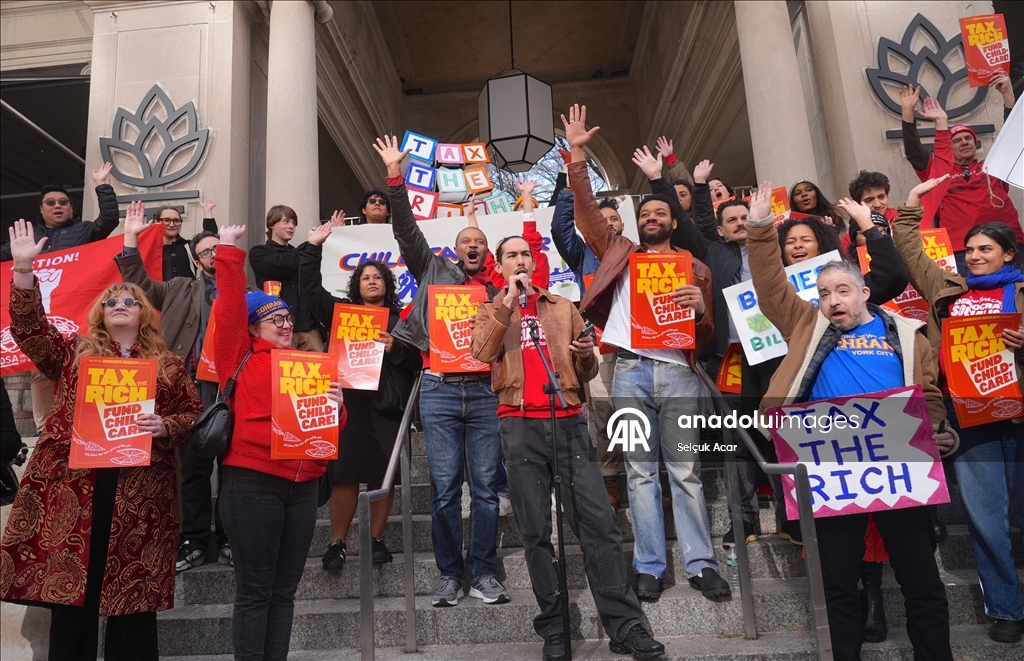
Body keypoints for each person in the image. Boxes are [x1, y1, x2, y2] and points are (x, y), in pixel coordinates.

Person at [746, 181, 956, 661]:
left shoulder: (907, 335)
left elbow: (929, 395)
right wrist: (760, 229)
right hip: (830, 472)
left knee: (921, 582)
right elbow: (770, 285)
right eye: (824, 293)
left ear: (865, 292)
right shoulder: (806, 325)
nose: (833, 299)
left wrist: (941, 434)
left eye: (843, 290)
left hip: (900, 465)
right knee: (839, 585)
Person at [0, 219, 203, 661]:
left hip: (141, 493)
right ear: (100, 314)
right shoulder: (75, 354)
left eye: (130, 299)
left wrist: (167, 426)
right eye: (112, 300)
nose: (121, 303)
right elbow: (30, 331)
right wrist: (21, 271)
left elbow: (193, 412)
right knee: (73, 599)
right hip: (77, 490)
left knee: (133, 607)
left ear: (145, 313)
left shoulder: (167, 365)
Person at [471, 234, 665, 661]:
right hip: (519, 426)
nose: (519, 260)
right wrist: (508, 303)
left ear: (534, 262)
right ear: (499, 266)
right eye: (511, 256)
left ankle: (625, 625)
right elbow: (482, 351)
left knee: (600, 526)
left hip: (569, 421)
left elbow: (588, 365)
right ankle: (554, 627)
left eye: (525, 254)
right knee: (537, 531)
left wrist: (584, 355)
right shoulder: (488, 309)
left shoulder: (562, 307)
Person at [564, 104, 730, 601]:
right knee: (638, 470)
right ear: (638, 225)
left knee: (684, 471)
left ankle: (701, 564)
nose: (654, 217)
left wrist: (702, 308)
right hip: (630, 373)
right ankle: (650, 565)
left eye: (661, 213)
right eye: (647, 214)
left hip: (678, 374)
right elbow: (588, 215)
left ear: (674, 223)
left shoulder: (695, 267)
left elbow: (705, 336)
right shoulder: (622, 254)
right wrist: (576, 156)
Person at [373, 134, 511, 608]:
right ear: (455, 252)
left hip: (486, 392)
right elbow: (406, 229)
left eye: (479, 243)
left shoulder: (499, 290)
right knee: (446, 491)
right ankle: (451, 575)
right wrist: (396, 176)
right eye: (465, 242)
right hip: (439, 391)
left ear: (485, 253)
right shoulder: (434, 270)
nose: (472, 247)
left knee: (488, 492)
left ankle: (486, 572)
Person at [892, 174, 1024, 644]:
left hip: (1019, 419)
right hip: (971, 422)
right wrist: (910, 207)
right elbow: (909, 248)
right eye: (970, 250)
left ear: (1009, 253)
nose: (974, 256)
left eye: (985, 249)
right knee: (986, 520)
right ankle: (1007, 609)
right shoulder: (950, 290)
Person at [212, 223, 346, 660]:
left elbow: (327, 429)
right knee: (255, 592)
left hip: (304, 486)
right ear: (253, 327)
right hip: (253, 483)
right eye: (276, 318)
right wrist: (228, 253)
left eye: (289, 317)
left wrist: (336, 405)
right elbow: (230, 310)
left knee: (285, 593)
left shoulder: (306, 363)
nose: (287, 324)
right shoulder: (242, 354)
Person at [115, 201, 233, 571]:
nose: (213, 255)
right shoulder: (181, 287)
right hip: (189, 387)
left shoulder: (249, 293)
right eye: (206, 252)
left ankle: (229, 538)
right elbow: (140, 285)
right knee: (193, 469)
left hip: (230, 391)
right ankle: (194, 540)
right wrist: (131, 240)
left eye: (219, 249)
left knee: (232, 468)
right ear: (197, 261)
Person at [301, 217, 421, 570]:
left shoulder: (403, 320)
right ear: (357, 284)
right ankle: (337, 543)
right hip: (349, 404)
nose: (372, 281)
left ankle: (376, 540)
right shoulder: (341, 313)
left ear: (387, 284)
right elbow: (309, 290)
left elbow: (419, 360)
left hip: (387, 407)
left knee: (383, 476)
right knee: (345, 474)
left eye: (378, 277)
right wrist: (312, 247)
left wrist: (395, 348)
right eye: (366, 277)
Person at [1, 163, 118, 437]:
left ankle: (85, 425)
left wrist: (101, 184)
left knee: (86, 365)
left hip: (79, 316)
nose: (58, 206)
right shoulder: (28, 239)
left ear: (71, 208)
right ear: (41, 209)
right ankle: (46, 429)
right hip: (41, 317)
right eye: (50, 202)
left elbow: (109, 220)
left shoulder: (85, 232)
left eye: (63, 202)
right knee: (42, 369)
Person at [549, 184, 626, 508]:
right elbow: (559, 228)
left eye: (613, 219)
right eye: (602, 219)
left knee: (641, 417)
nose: (608, 223)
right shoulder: (583, 255)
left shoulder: (637, 253)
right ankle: (609, 479)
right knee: (607, 416)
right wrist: (569, 189)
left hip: (638, 346)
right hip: (600, 347)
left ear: (622, 226)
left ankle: (644, 478)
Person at [899, 77, 1023, 271]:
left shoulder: (993, 165)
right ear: (947, 148)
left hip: (1009, 243)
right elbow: (914, 153)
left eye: (968, 138)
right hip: (962, 251)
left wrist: (1008, 95)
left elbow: (1012, 140)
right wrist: (907, 113)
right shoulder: (938, 174)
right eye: (957, 140)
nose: (965, 142)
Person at [248, 205, 325, 352]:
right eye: (286, 222)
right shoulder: (259, 252)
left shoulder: (300, 253)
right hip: (277, 327)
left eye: (294, 223)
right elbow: (285, 264)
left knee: (319, 373)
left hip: (309, 327)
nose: (291, 227)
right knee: (280, 373)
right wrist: (309, 245)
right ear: (271, 224)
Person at [154, 199, 218, 281]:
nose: (172, 224)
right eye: (166, 220)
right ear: (156, 222)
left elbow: (209, 240)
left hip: (188, 293)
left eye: (177, 221)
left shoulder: (188, 247)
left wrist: (208, 212)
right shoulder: (149, 250)